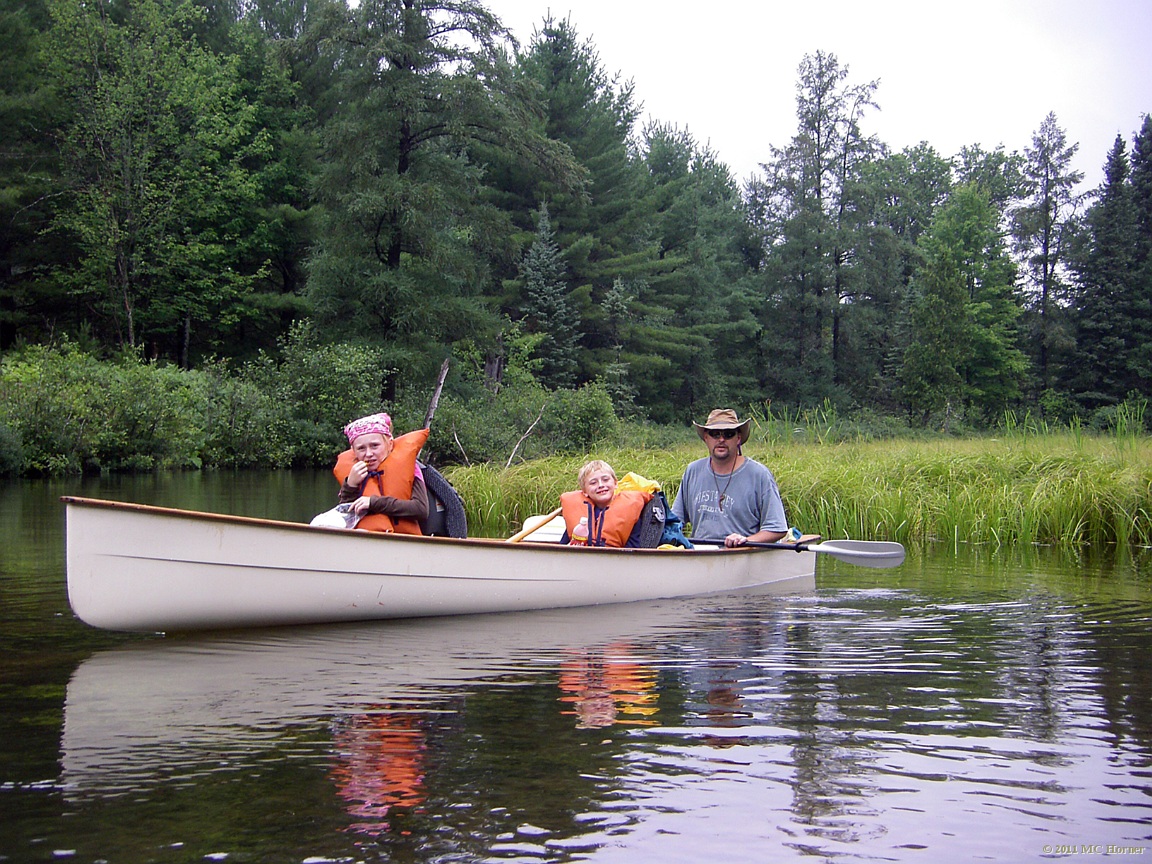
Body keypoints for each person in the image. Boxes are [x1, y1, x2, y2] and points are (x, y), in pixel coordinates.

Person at [670, 408, 787, 547]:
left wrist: (746, 540)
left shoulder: (759, 474)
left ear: (738, 438)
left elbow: (777, 528)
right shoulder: (692, 471)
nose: (721, 439)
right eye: (715, 434)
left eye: (728, 434)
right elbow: (675, 521)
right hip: (699, 556)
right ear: (706, 438)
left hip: (742, 555)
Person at [333, 412, 429, 534]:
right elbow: (346, 515)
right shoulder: (353, 473)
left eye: (375, 446)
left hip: (404, 540)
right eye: (361, 448)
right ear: (354, 451)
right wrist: (350, 485)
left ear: (389, 443)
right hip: (366, 539)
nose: (368, 454)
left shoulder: (410, 467)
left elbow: (421, 509)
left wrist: (373, 503)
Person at [559, 459, 650, 547]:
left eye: (605, 480)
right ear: (584, 491)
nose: (601, 485)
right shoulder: (578, 514)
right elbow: (563, 547)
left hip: (616, 559)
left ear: (615, 483)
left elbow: (634, 547)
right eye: (593, 483)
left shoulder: (629, 510)